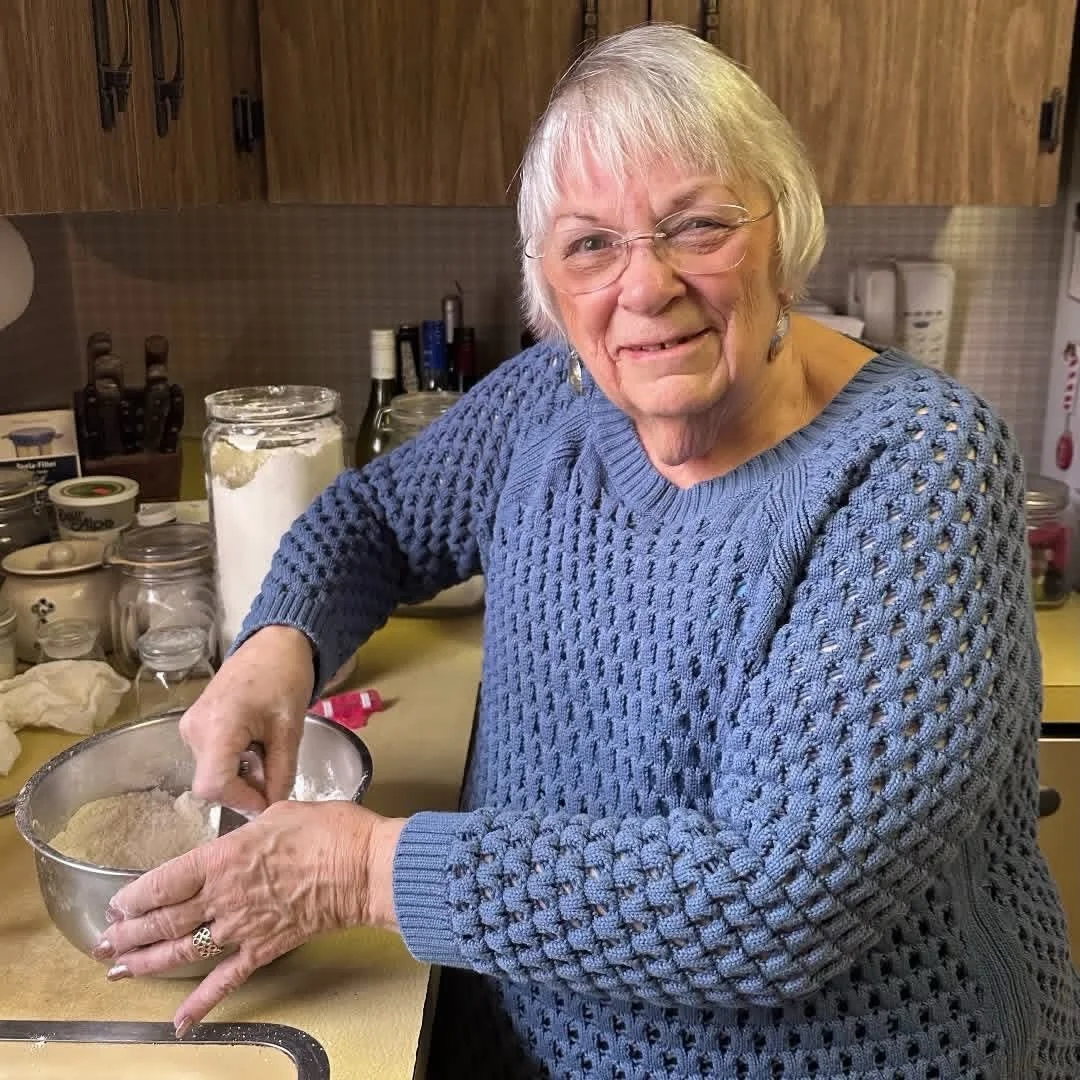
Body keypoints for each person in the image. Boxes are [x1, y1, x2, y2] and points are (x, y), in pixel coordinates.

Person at [93, 24, 1080, 1078]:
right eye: (591, 244)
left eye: (697, 226)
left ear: (783, 232)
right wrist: (277, 645)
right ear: (545, 284)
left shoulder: (914, 465)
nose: (644, 287)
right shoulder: (553, 397)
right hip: (535, 1040)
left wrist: (369, 872)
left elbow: (779, 895)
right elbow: (371, 522)